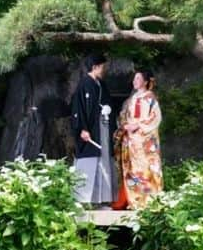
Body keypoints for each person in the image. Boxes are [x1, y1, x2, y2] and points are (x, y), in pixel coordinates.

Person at [69, 53, 114, 207]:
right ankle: (82, 200)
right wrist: (82, 128)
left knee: (104, 162)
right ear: (95, 67)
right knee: (88, 163)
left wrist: (108, 110)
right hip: (90, 131)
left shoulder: (101, 84)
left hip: (102, 128)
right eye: (103, 67)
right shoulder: (84, 84)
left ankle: (101, 200)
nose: (104, 70)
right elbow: (77, 108)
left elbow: (107, 103)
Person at [114, 69, 163, 209]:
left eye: (138, 79)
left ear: (146, 82)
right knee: (132, 169)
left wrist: (139, 125)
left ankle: (149, 200)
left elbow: (155, 117)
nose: (134, 81)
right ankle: (134, 200)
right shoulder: (132, 99)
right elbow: (123, 116)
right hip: (131, 139)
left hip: (145, 140)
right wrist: (125, 126)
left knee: (147, 168)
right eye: (134, 79)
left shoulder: (150, 98)